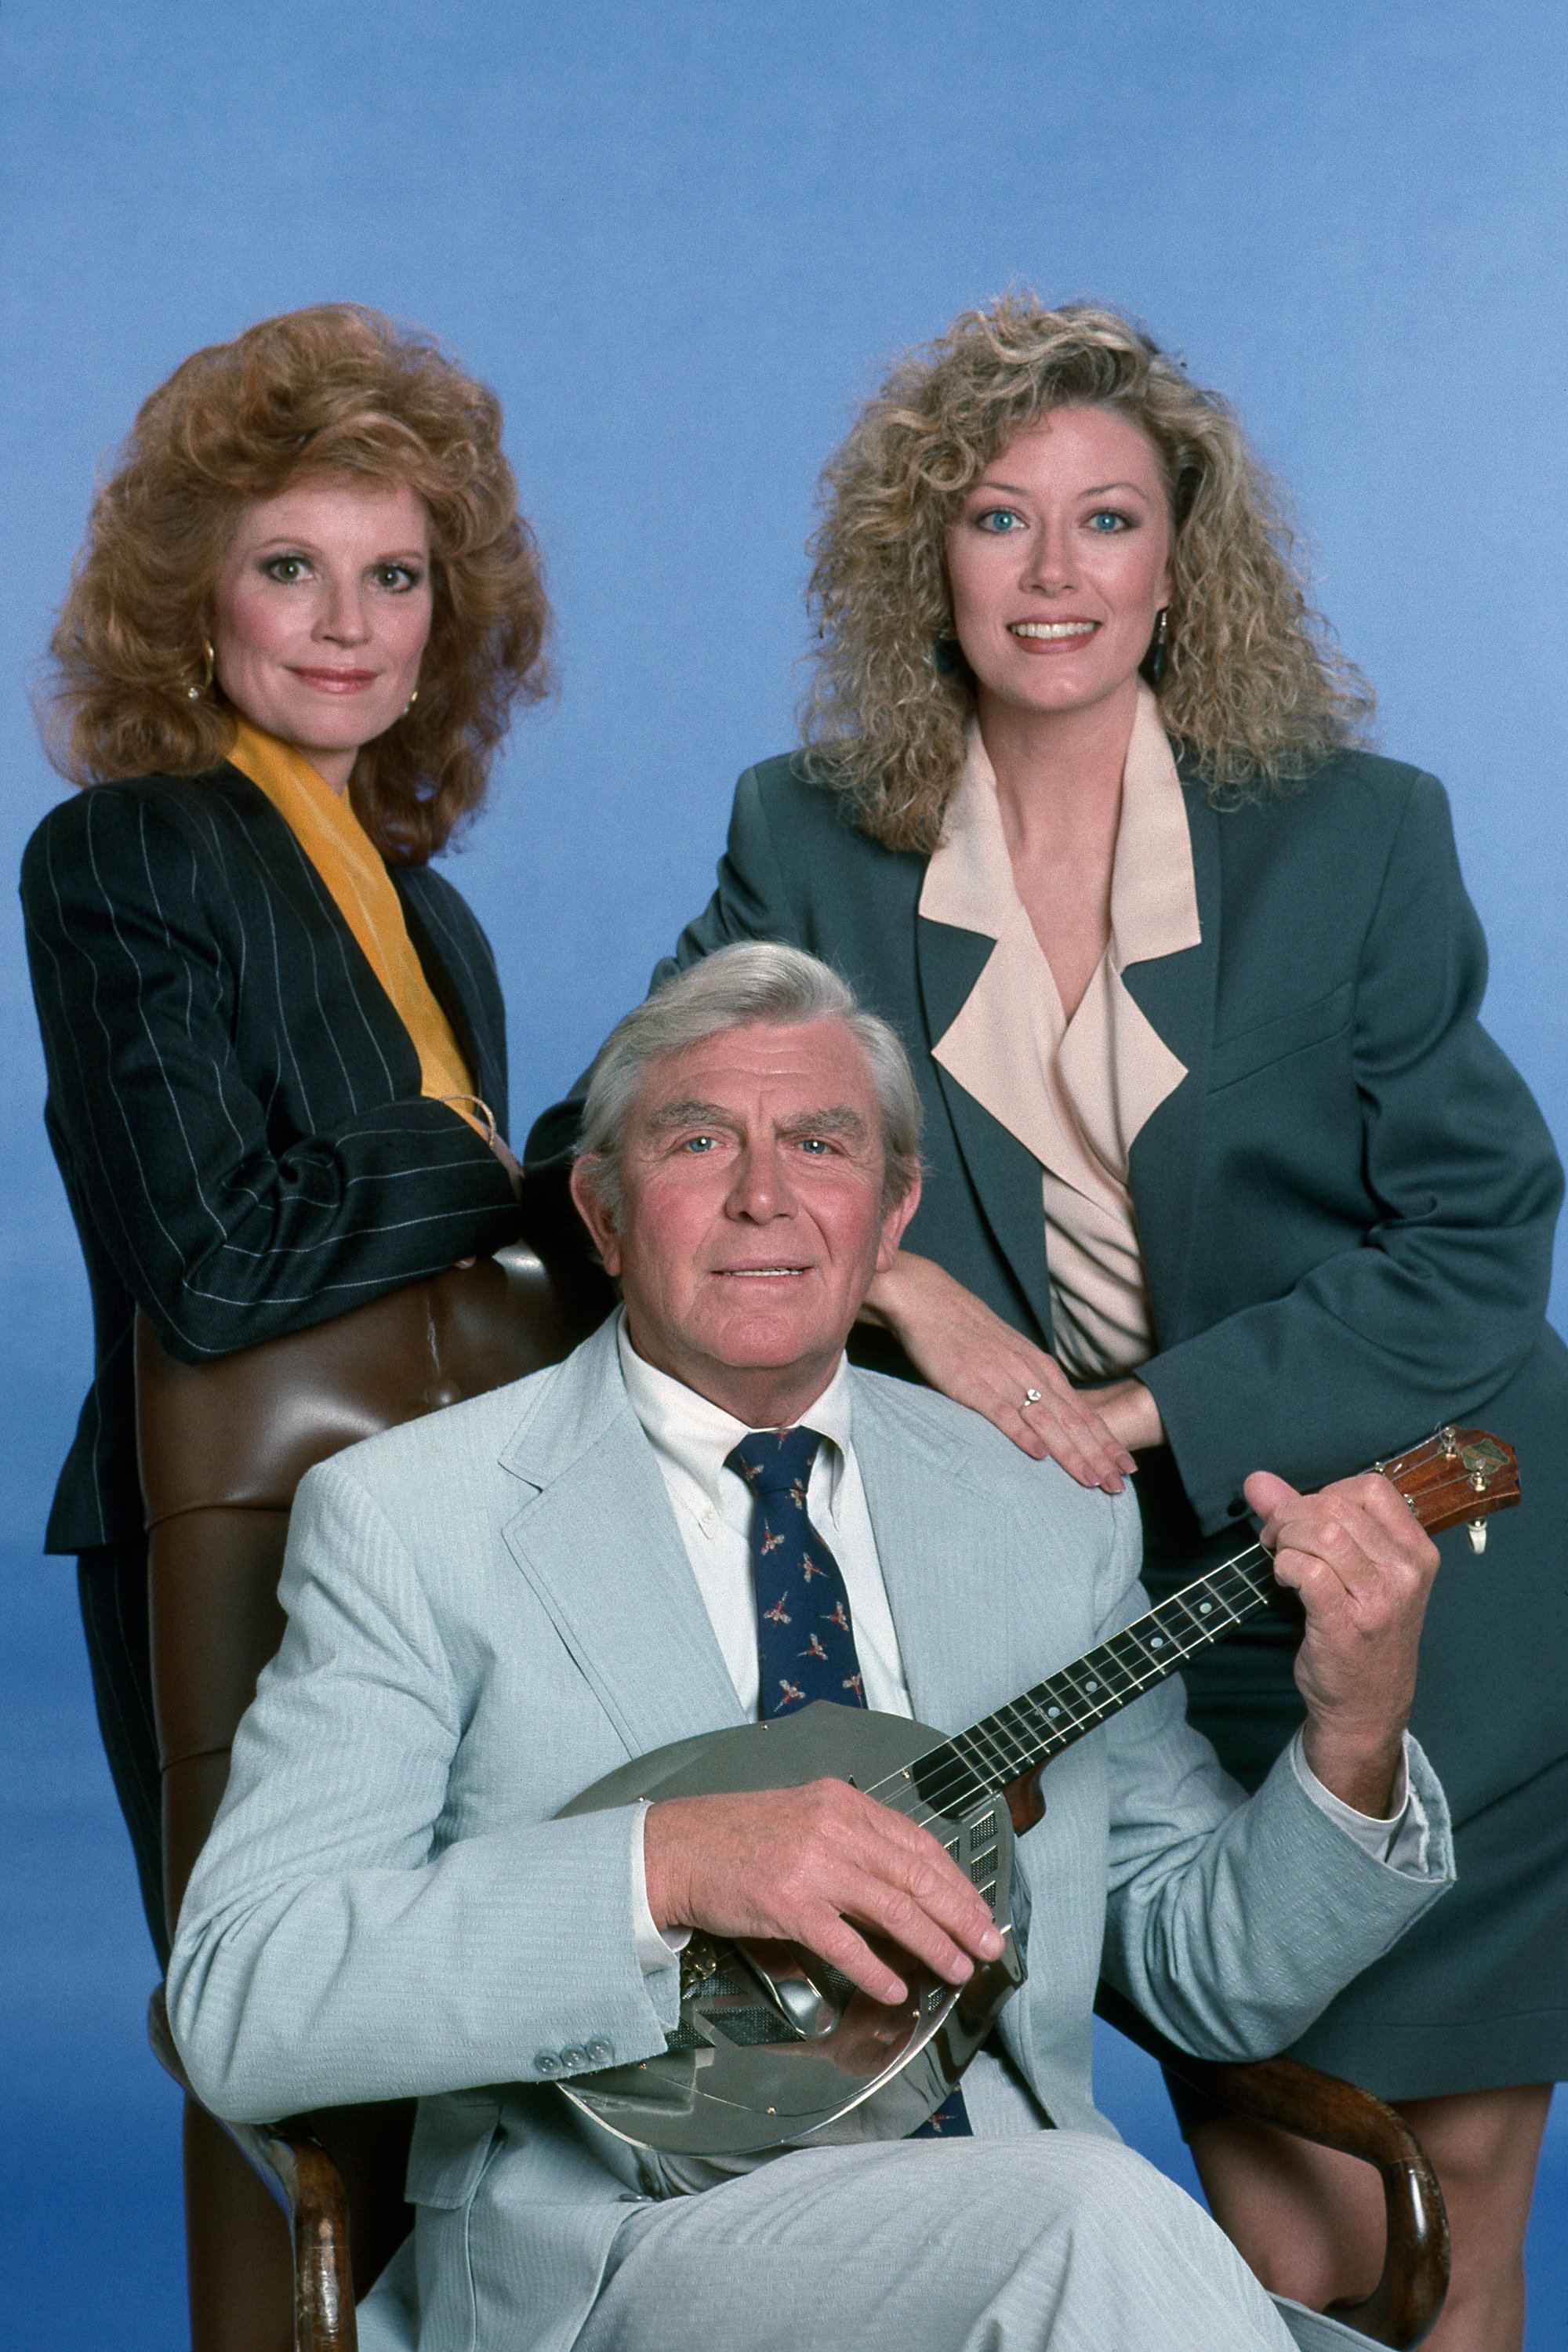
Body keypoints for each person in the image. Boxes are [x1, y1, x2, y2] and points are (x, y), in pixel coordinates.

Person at [524, 296, 1566, 2351]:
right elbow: (617, 1125)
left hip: (1436, 1564)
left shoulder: (1357, 839)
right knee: (1284, 2246)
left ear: (1186, 558)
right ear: (930, 557)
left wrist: (1145, 1407)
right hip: (1120, 1616)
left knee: (1445, 2227)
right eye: (1003, 520)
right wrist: (900, 1275)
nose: (1058, 573)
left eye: (1110, 520)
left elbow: (1480, 1239)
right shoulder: (809, 844)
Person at [171, 944, 1454, 2352]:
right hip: (634, 2247)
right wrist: (666, 1866)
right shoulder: (416, 1521)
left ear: (890, 1212)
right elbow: (248, 1996)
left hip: (1026, 2242)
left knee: (1092, 2233)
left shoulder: (1041, 1516)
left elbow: (1214, 1977)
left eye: (822, 1144)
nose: (763, 1195)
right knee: (1095, 2216)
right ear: (602, 1212)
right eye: (698, 1138)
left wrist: (1354, 1736)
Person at [21, 303, 549, 1963]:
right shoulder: (126, 853)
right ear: (196, 603)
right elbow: (216, 1261)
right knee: (292, 2030)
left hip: (459, 1516)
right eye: (289, 569)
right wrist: (499, 1167)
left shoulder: (432, 914)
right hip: (230, 1519)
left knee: (480, 2015)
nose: (346, 626)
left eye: (392, 578)